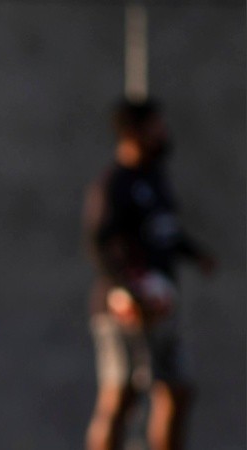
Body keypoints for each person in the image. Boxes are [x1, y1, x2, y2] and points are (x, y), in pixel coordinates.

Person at [82, 97, 216, 450]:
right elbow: (98, 244)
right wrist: (125, 289)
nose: (163, 133)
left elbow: (165, 230)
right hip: (123, 308)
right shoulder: (114, 183)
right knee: (120, 395)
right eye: (156, 126)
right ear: (134, 132)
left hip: (162, 305)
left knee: (177, 390)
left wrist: (195, 254)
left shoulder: (155, 178)